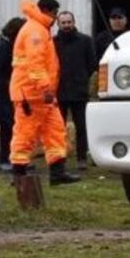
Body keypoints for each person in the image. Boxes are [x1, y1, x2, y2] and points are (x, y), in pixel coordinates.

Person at [9, 0, 80, 186]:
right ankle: (18, 175)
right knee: (25, 134)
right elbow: (35, 63)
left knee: (56, 132)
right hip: (32, 94)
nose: (57, 18)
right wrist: (46, 88)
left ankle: (57, 173)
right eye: (56, 13)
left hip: (41, 95)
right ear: (48, 11)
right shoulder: (35, 31)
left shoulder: (39, 29)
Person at [54, 11, 97, 171]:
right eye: (63, 22)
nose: (66, 25)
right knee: (58, 128)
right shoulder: (53, 43)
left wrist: (82, 76)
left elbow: (92, 63)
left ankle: (81, 159)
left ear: (74, 22)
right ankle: (59, 158)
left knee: (81, 126)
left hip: (79, 90)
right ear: (58, 24)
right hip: (59, 91)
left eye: (69, 22)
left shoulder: (85, 41)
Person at [0, 17, 25, 173]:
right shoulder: (4, 48)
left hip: (9, 92)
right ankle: (5, 158)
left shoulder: (10, 46)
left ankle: (15, 157)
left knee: (14, 128)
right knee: (7, 128)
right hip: (3, 94)